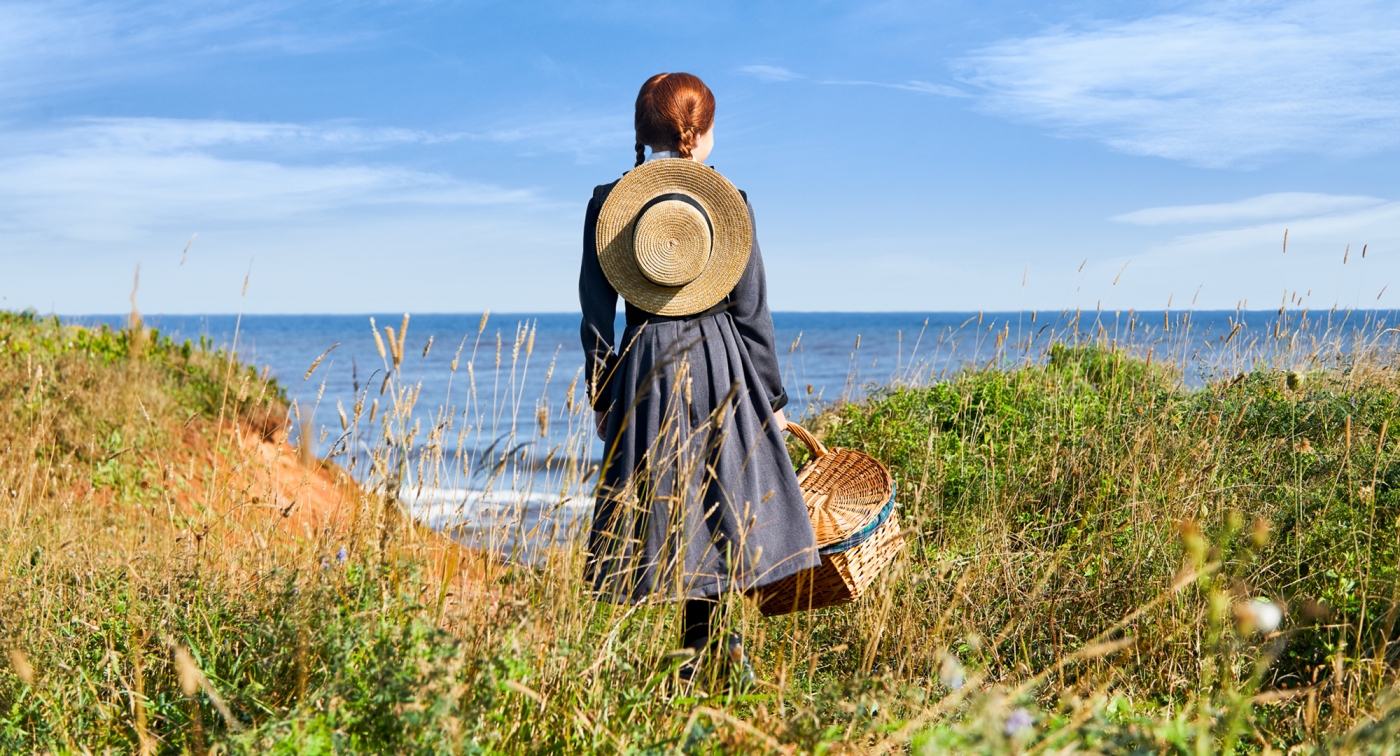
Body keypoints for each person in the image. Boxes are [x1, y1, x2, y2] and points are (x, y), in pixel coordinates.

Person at [578, 72, 820, 684]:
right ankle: (713, 656)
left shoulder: (608, 202)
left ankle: (695, 660)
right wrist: (774, 397)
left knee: (667, 510)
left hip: (644, 366)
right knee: (722, 503)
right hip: (719, 359)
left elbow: (595, 312)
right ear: (698, 132)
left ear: (643, 133)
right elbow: (752, 311)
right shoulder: (727, 201)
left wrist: (602, 392)